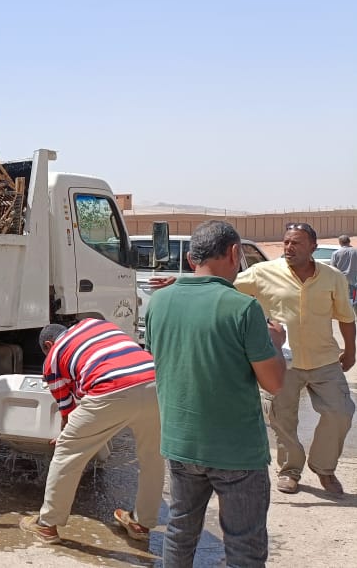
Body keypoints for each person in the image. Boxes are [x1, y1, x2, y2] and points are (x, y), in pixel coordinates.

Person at [145, 220, 287, 568]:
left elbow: (164, 359)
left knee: (179, 531)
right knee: (244, 546)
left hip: (181, 444)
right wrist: (277, 343)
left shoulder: (158, 303)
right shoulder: (243, 308)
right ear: (235, 253)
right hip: (236, 451)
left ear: (193, 258)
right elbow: (274, 383)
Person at [19, 318, 164, 545]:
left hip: (111, 387)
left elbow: (68, 410)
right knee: (152, 457)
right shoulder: (95, 324)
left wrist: (67, 436)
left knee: (67, 453)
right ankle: (141, 523)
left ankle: (47, 525)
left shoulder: (53, 358)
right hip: (156, 383)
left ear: (48, 345)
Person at [236, 223, 356, 495]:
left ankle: (324, 467)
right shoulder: (263, 273)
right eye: (286, 242)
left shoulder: (332, 276)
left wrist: (351, 351)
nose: (289, 248)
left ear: (313, 246)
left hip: (324, 359)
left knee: (341, 412)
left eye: (297, 243)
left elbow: (347, 318)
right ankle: (289, 470)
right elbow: (224, 288)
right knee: (282, 420)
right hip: (281, 362)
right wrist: (186, 282)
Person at [332, 234, 357, 308]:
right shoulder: (355, 251)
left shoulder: (336, 253)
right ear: (349, 241)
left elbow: (333, 267)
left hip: (341, 278)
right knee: (353, 297)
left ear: (340, 242)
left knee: (343, 296)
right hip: (354, 278)